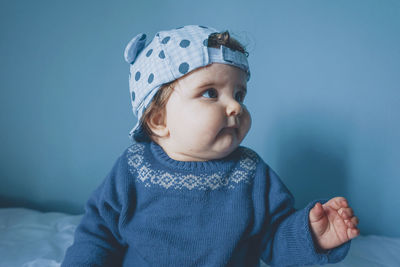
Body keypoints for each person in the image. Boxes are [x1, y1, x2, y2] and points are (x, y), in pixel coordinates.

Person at [62, 25, 359, 267]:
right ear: (158, 119)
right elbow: (98, 233)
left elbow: (274, 239)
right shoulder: (133, 169)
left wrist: (312, 236)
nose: (235, 107)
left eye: (239, 94)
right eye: (210, 93)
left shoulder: (251, 173)